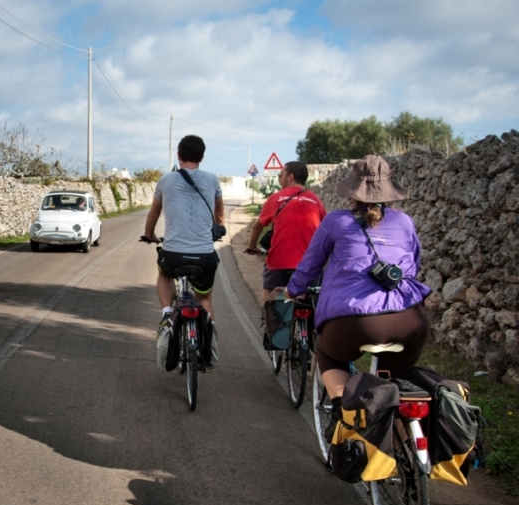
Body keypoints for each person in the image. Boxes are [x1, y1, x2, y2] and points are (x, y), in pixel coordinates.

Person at [284, 155, 431, 441]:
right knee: (396, 383)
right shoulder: (404, 222)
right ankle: (403, 449)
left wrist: (292, 290)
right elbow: (413, 266)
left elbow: (311, 265)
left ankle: (344, 414)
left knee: (328, 356)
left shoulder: (336, 221)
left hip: (354, 320)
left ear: (353, 191)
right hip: (410, 321)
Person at [144, 135, 224, 371]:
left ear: (178, 156)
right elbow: (219, 216)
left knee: (164, 273)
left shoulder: (166, 180)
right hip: (204, 255)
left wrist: (150, 235)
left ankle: (168, 314)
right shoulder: (213, 180)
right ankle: (207, 345)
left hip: (174, 254)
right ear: (202, 156)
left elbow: (153, 214)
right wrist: (215, 232)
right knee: (205, 298)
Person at [244, 161, 326, 301]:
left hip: (278, 264)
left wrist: (252, 247)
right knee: (312, 302)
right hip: (308, 265)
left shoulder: (275, 199)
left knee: (270, 295)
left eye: (280, 174)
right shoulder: (315, 200)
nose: (278, 178)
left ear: (290, 177)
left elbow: (257, 226)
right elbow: (325, 229)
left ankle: (271, 321)